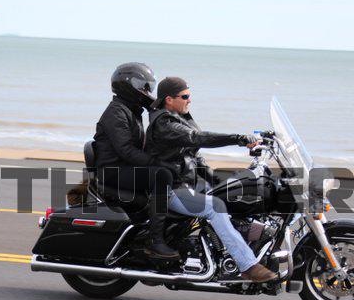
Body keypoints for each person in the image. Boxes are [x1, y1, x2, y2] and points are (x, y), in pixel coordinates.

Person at [145, 77, 278, 282]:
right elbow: (197, 138)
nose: (189, 100)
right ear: (169, 100)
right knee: (215, 207)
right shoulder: (165, 124)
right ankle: (247, 265)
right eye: (185, 96)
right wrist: (238, 139)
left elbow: (194, 156)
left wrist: (217, 181)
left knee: (231, 193)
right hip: (172, 188)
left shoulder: (180, 118)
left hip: (187, 182)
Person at [93, 63, 180, 259]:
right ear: (128, 85)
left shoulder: (131, 110)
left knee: (171, 172)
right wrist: (157, 163)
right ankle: (155, 241)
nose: (147, 91)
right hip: (113, 170)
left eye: (149, 87)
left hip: (125, 166)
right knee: (162, 175)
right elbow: (127, 150)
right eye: (144, 86)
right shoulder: (116, 112)